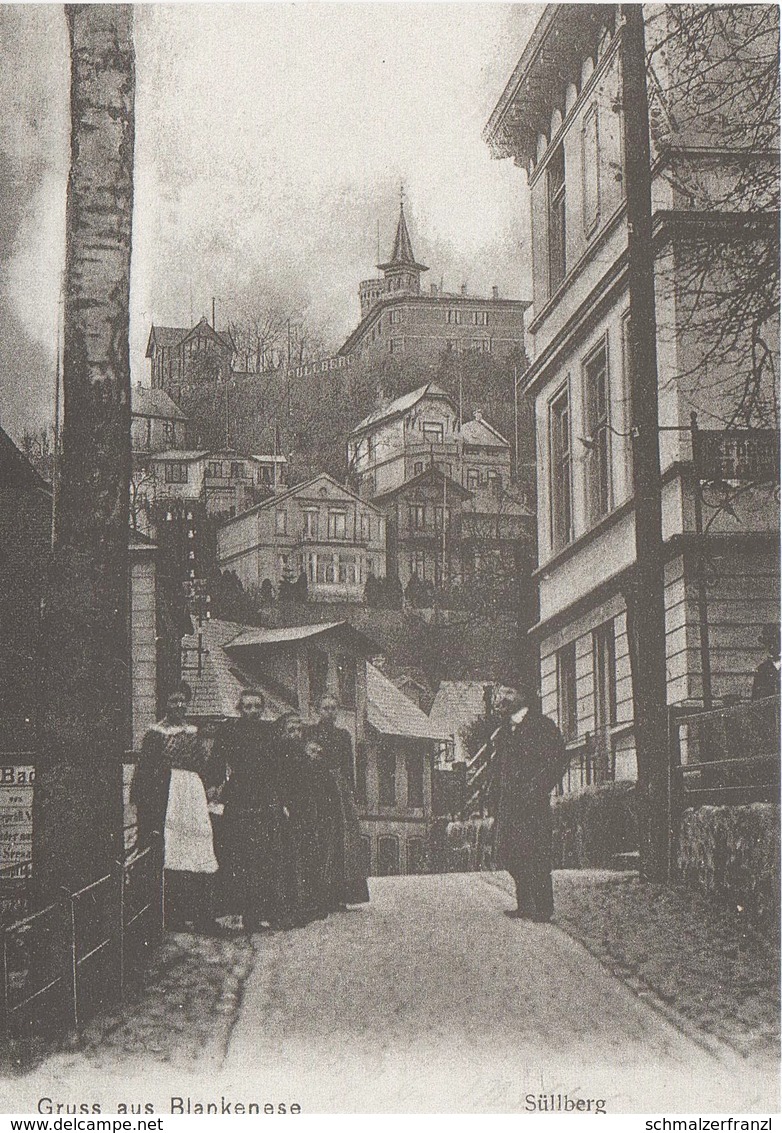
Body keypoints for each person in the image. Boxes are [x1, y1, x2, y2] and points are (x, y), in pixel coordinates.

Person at [132, 685, 219, 933]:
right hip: (168, 794)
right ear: (165, 704)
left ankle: (203, 916)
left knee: (200, 846)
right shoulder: (155, 733)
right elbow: (145, 772)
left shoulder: (193, 732)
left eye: (183, 701)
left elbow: (204, 764)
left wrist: (210, 786)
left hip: (192, 792)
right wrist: (145, 803)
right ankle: (174, 916)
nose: (179, 706)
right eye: (174, 701)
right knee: (173, 851)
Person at [213, 689, 295, 932]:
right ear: (240, 708)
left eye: (257, 706)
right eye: (247, 707)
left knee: (262, 857)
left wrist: (280, 800)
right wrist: (215, 784)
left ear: (263, 709)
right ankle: (235, 912)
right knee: (236, 855)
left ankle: (258, 914)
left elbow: (278, 767)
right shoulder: (230, 730)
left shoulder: (269, 732)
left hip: (263, 796)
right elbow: (217, 758)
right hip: (238, 796)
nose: (252, 711)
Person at [489, 684, 568, 923]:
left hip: (533, 805)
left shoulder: (542, 726)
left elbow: (558, 761)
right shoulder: (504, 731)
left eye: (510, 692)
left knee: (536, 853)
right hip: (509, 805)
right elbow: (498, 770)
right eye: (501, 693)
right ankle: (524, 904)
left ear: (524, 696)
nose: (503, 698)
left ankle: (543, 907)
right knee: (510, 853)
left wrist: (538, 788)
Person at [306, 693, 369, 908]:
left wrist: (350, 791)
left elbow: (348, 766)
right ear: (317, 710)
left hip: (338, 791)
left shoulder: (343, 735)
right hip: (317, 788)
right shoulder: (310, 733)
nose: (330, 712)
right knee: (320, 840)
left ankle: (339, 896)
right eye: (325, 708)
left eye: (333, 708)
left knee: (341, 842)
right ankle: (318, 896)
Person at [752, 624, 781, 700]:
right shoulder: (761, 670)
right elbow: (755, 702)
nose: (771, 647)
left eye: (775, 643)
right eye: (768, 643)